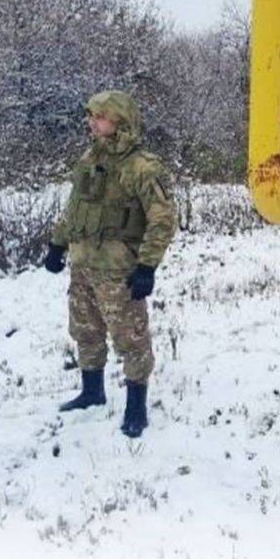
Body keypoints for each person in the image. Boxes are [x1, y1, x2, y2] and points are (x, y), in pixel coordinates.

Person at [43, 90, 176, 439]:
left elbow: (162, 220)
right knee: (85, 329)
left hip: (119, 269)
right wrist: (57, 244)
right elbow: (75, 209)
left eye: (100, 117)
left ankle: (136, 407)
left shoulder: (142, 167)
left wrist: (147, 266)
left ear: (120, 121)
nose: (92, 122)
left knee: (129, 338)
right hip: (84, 261)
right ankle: (92, 391)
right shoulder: (89, 159)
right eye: (91, 116)